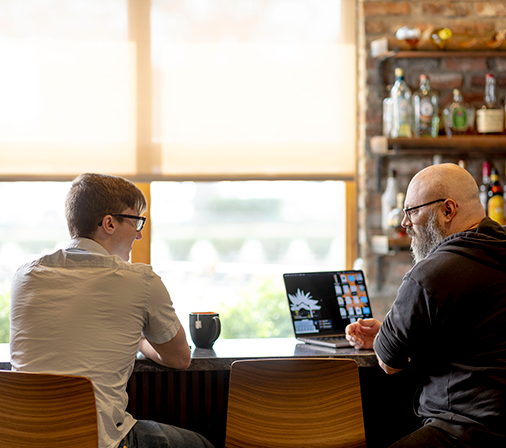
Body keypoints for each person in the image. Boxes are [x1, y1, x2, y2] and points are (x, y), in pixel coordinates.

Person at [10, 173, 214, 448]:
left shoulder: (25, 276)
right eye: (136, 221)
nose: (140, 233)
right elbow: (179, 358)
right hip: (100, 441)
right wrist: (141, 339)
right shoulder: (140, 281)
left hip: (18, 437)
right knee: (202, 443)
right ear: (109, 223)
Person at [346, 163, 506, 448]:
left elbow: (389, 362)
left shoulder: (431, 274)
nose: (405, 223)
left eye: (413, 211)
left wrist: (386, 337)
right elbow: (470, 329)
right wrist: (389, 330)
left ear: (448, 210)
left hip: (462, 431)